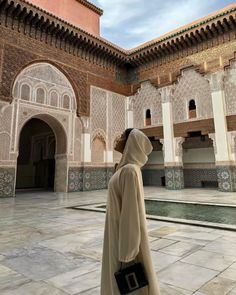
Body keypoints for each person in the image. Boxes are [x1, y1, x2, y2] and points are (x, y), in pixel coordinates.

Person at [101, 128, 160, 295]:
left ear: (130, 142)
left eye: (122, 136)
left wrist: (127, 255)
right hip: (115, 233)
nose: (118, 138)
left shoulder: (130, 171)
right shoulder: (125, 169)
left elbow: (131, 214)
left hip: (123, 240)